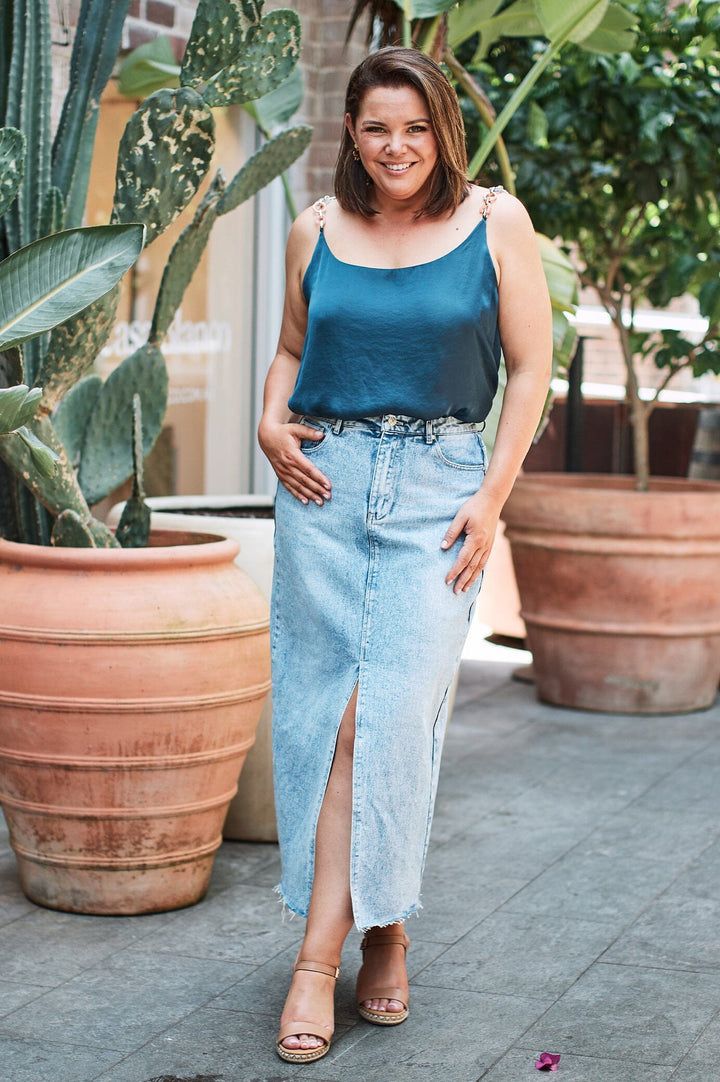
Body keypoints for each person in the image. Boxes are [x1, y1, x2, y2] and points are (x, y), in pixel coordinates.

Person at [258, 46, 553, 1064]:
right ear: (353, 131)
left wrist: (491, 500)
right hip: (325, 489)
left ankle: (318, 954)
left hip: (438, 489)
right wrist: (265, 419)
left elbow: (530, 367)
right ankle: (380, 927)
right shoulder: (315, 228)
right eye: (378, 127)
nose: (397, 147)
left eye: (417, 127)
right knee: (328, 718)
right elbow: (295, 350)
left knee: (392, 717)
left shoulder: (494, 221)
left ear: (444, 133)